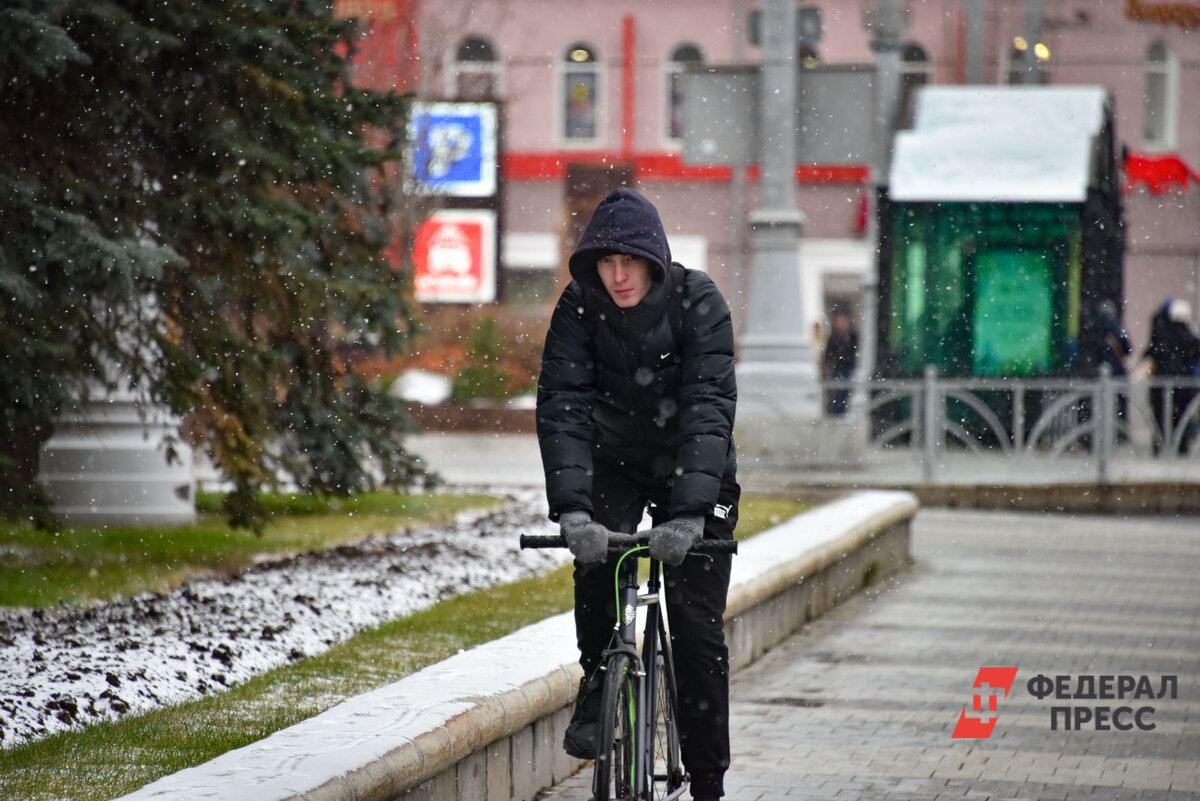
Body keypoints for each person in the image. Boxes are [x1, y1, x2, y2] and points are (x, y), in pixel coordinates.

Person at [536, 187, 739, 801]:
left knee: (697, 625)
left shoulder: (699, 301)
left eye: (629, 261)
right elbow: (563, 407)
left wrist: (690, 515)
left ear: (654, 259)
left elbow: (709, 410)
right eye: (605, 262)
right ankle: (599, 681)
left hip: (695, 469)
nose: (618, 275)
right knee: (596, 564)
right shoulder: (578, 308)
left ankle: (707, 780)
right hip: (615, 462)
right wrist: (573, 511)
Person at [1143, 299, 1200, 454]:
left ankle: (1162, 447)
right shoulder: (1187, 335)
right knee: (1180, 419)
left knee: (1162, 419)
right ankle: (1179, 447)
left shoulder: (1161, 332)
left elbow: (1151, 352)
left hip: (1161, 384)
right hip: (1182, 385)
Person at [821, 306, 858, 416]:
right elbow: (829, 353)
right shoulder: (834, 336)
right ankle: (837, 413)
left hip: (848, 367)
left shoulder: (852, 335)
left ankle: (842, 412)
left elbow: (853, 351)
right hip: (838, 367)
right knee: (837, 392)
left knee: (845, 391)